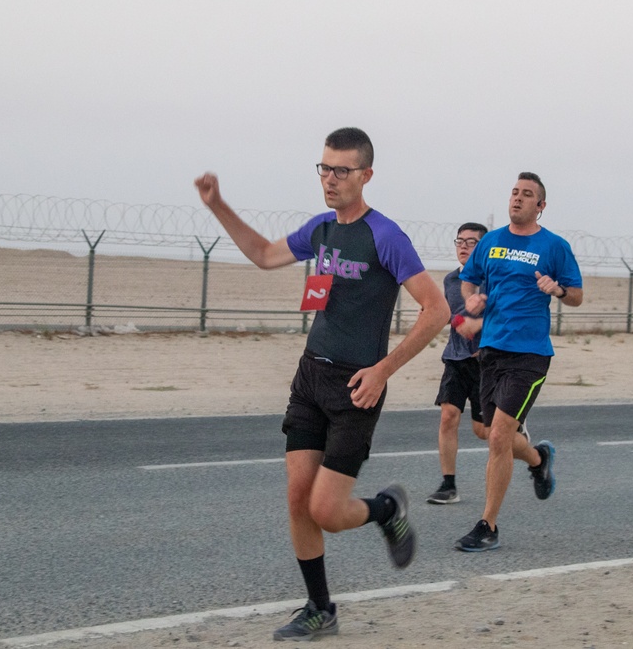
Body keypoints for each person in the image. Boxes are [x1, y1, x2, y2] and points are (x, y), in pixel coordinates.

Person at [193, 127, 450, 642]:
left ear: (366, 175)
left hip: (358, 384)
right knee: (297, 499)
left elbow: (437, 308)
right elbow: (265, 255)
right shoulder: (321, 230)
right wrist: (217, 204)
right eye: (324, 169)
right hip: (310, 375)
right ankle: (320, 608)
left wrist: (383, 370)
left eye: (342, 171)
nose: (330, 180)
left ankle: (385, 509)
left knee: (328, 511)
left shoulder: (386, 236)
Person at [453, 172, 583, 551]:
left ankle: (487, 525)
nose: (518, 199)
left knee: (497, 436)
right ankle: (539, 458)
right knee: (495, 433)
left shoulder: (554, 246)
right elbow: (469, 280)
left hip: (530, 354)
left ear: (540, 206)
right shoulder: (491, 242)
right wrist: (472, 300)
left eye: (527, 195)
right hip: (491, 349)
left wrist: (556, 289)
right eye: (514, 192)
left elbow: (576, 295)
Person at [427, 222, 491, 504]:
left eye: (471, 242)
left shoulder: (493, 279)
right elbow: (449, 314)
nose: (463, 246)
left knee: (483, 431)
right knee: (448, 416)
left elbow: (508, 317)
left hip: (486, 363)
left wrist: (479, 325)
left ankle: (531, 450)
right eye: (459, 241)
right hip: (455, 358)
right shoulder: (451, 281)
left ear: (484, 248)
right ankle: (448, 485)